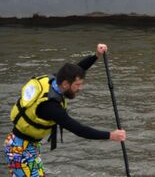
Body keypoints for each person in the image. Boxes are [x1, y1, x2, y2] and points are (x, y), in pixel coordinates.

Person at [4, 43, 126, 176]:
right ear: (65, 84)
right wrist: (111, 135)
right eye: (77, 85)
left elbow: (78, 69)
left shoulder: (55, 80)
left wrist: (96, 56)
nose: (80, 88)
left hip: (21, 144)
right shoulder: (51, 107)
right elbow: (79, 130)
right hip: (20, 149)